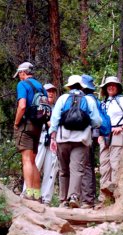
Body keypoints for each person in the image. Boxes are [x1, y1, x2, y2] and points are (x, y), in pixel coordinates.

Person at [49, 75, 101, 208]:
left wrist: (53, 137)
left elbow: (54, 119)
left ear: (69, 86)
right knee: (77, 169)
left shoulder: (62, 98)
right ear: (82, 86)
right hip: (81, 140)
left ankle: (62, 201)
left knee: (63, 170)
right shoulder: (89, 100)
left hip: (63, 139)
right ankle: (74, 196)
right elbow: (96, 121)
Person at [98, 76, 123, 205]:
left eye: (113, 85)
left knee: (115, 164)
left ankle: (116, 197)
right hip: (105, 136)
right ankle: (104, 197)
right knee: (104, 165)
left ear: (118, 87)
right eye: (108, 85)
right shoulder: (104, 102)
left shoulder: (122, 100)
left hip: (118, 134)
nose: (111, 87)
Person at [13, 61, 48, 202]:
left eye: (20, 74)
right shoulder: (41, 86)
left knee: (26, 160)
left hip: (26, 125)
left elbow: (22, 106)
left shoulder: (22, 85)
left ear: (23, 72)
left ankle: (28, 193)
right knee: (33, 162)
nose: (19, 77)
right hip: (38, 126)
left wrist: (16, 123)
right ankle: (37, 194)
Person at [23, 83, 59, 205]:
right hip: (40, 138)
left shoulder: (57, 107)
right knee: (34, 164)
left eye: (53, 91)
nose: (51, 93)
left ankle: (46, 198)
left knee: (51, 169)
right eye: (48, 91)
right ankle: (28, 193)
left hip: (53, 141)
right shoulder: (38, 106)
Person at [80, 74, 99, 208]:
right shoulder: (95, 99)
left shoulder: (86, 100)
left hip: (86, 135)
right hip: (94, 135)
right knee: (89, 166)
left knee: (85, 166)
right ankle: (89, 197)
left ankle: (87, 199)